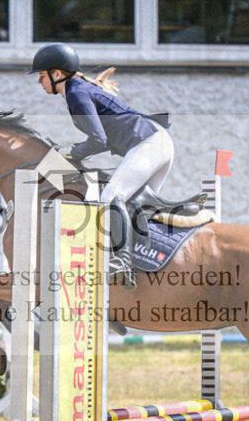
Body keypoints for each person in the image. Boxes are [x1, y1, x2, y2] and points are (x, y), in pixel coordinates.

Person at [29, 43, 174, 290]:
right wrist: (71, 152)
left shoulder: (76, 92)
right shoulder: (78, 89)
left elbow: (98, 140)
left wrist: (70, 152)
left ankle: (122, 263)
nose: (39, 82)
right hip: (158, 142)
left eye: (42, 76)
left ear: (57, 74)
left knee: (110, 197)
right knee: (136, 209)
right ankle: (141, 272)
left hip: (149, 142)